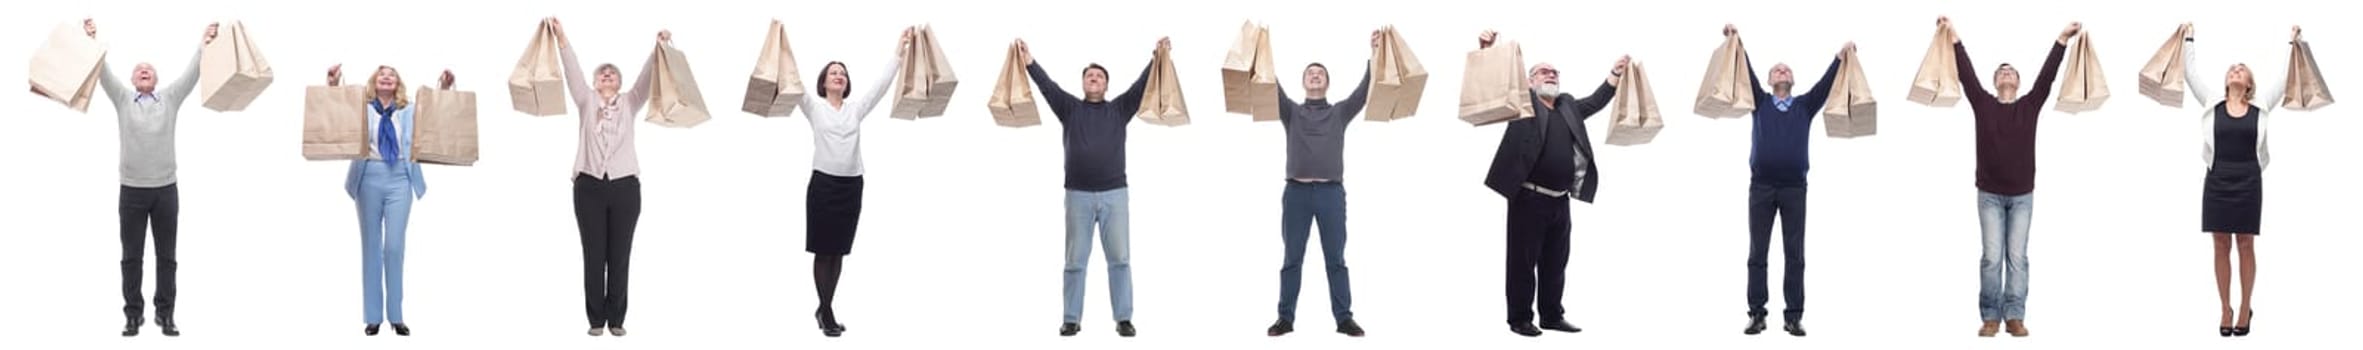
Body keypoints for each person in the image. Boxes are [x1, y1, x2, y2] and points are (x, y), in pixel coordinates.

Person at [1013, 35, 1167, 337]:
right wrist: (1029, 61)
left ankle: (1123, 318)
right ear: (1084, 83)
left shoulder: (1120, 109)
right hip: (1078, 197)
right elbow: (1047, 86)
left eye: (1099, 76)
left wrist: (1156, 57)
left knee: (1120, 259)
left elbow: (1141, 86)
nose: (1094, 78)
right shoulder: (1069, 108)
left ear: (1106, 85)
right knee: (1074, 262)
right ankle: (1071, 318)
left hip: (1115, 196)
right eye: (1089, 76)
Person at [1477, 30, 1625, 337]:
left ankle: (1552, 315)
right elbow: (1497, 85)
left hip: (1560, 200)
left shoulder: (1568, 107)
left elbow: (1597, 101)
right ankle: (1519, 319)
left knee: (1556, 262)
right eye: (1543, 71)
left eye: (1555, 72)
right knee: (1522, 262)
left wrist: (1614, 74)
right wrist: (1488, 51)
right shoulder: (1522, 102)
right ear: (1530, 81)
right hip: (1528, 198)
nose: (1551, 74)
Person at [1940, 16, 2077, 338]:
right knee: (1991, 257)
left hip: (2021, 196)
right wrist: (1954, 38)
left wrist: (2062, 38)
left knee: (2017, 257)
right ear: (1995, 81)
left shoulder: (2030, 105)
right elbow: (1966, 75)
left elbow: (2047, 77)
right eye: (2001, 71)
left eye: (2011, 71)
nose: (2006, 72)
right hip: (1988, 194)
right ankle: (1990, 316)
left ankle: (2014, 315)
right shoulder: (1983, 104)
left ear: (2017, 81)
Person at [1722, 23, 1854, 338]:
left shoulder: (1805, 106)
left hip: (1795, 188)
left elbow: (1826, 84)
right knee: (1758, 253)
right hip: (1762, 188)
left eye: (1786, 70)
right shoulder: (1760, 102)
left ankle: (1793, 316)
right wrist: (1736, 41)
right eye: (1777, 70)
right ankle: (1757, 314)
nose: (1782, 72)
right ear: (1770, 81)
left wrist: (1840, 56)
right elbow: (1746, 72)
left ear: (1792, 80)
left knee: (1795, 254)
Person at [88, 19, 215, 338]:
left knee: (167, 257)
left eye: (149, 69)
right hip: (131, 192)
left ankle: (165, 314)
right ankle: (133, 315)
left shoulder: (170, 99)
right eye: (138, 69)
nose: (144, 70)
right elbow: (102, 72)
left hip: (165, 192)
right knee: (131, 257)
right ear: (132, 79)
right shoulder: (122, 99)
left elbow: (191, 74)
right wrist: (92, 39)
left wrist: (203, 44)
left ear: (156, 79)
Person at [793, 27, 916, 337]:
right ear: (823, 82)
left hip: (851, 188)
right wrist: (780, 41)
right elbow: (791, 79)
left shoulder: (855, 110)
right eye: (833, 73)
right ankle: (827, 310)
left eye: (843, 73)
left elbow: (881, 85)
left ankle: (825, 307)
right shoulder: (813, 107)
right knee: (823, 250)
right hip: (823, 186)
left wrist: (898, 51)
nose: (839, 76)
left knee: (838, 250)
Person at [548, 17, 665, 337]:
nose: (607, 74)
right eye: (602, 72)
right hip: (588, 186)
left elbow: (646, 78)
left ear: (619, 81)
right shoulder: (586, 100)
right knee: (593, 254)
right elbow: (571, 70)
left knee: (620, 255)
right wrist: (562, 38)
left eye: (612, 72)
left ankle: (617, 319)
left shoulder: (629, 102)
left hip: (626, 186)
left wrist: (659, 49)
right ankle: (595, 319)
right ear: (596, 81)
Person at [2184, 24, 2299, 338]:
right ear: (2226, 81)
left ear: (2249, 84)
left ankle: (2246, 305)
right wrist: (2189, 38)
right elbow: (2190, 73)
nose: (2236, 70)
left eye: (2242, 69)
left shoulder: (2261, 106)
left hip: (2248, 181)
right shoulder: (2212, 103)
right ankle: (2225, 308)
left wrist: (2292, 42)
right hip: (2217, 180)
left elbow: (2284, 77)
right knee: (2220, 244)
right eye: (2232, 69)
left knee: (2245, 244)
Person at [1265, 30, 1381, 338]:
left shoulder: (1339, 111)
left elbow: (1364, 90)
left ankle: (1344, 319)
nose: (1315, 75)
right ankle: (1284, 319)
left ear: (1326, 83)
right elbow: (1269, 83)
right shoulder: (1290, 111)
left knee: (1336, 259)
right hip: (1296, 195)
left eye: (1320, 73)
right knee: (1291, 258)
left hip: (1331, 194)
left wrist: (1374, 53)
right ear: (1304, 82)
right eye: (1310, 73)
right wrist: (1261, 48)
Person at [325, 64, 452, 337]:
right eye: (382, 73)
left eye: (392, 74)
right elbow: (334, 112)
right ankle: (373, 317)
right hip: (368, 176)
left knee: (394, 247)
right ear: (374, 80)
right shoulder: (362, 107)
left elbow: (434, 116)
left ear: (398, 84)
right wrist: (333, 84)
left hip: (400, 179)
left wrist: (443, 87)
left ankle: (396, 315)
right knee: (371, 246)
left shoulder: (408, 109)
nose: (386, 76)